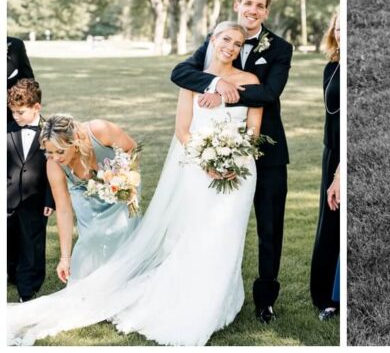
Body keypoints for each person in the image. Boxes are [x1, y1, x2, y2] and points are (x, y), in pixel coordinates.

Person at [7, 22, 263, 347]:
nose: (231, 46)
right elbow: (183, 131)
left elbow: (254, 129)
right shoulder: (190, 76)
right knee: (194, 234)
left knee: (228, 236)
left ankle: (220, 302)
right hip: (201, 169)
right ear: (213, 40)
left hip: (240, 172)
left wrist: (234, 158)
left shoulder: (252, 81)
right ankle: (192, 301)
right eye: (226, 39)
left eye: (238, 43)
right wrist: (208, 162)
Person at [170, 0, 292, 324]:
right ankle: (208, 292)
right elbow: (181, 73)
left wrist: (224, 94)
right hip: (215, 151)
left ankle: (265, 300)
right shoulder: (221, 38)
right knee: (215, 226)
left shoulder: (280, 48)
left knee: (270, 229)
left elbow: (268, 94)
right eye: (248, 3)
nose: (253, 10)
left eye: (260, 6)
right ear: (238, 4)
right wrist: (212, 84)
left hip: (267, 152)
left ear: (266, 12)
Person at [40, 114, 140, 284]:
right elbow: (63, 209)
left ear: (75, 141)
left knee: (122, 228)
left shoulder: (100, 130)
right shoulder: (53, 164)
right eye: (49, 152)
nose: (56, 157)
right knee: (91, 237)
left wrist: (123, 178)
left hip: (122, 183)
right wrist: (65, 258)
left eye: (60, 151)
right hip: (85, 193)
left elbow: (132, 148)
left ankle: (128, 275)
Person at [6, 80, 54, 302]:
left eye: (20, 112)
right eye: (12, 112)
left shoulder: (50, 132)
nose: (16, 117)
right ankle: (11, 274)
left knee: (31, 244)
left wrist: (49, 200)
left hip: (36, 200)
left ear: (37, 107)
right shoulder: (7, 130)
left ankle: (28, 289)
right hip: (7, 197)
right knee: (9, 240)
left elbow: (54, 171)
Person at [310, 12, 340, 319]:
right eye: (338, 28)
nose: (342, 33)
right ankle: (325, 297)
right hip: (330, 152)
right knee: (329, 223)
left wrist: (341, 172)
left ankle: (338, 293)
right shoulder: (331, 68)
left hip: (343, 158)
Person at [6, 37, 36, 285]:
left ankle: (16, 267)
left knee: (16, 196)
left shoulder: (13, 45)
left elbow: (27, 80)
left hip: (13, 127)